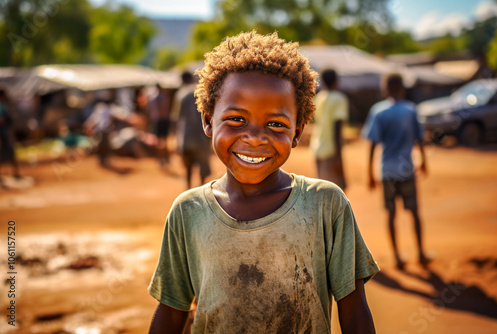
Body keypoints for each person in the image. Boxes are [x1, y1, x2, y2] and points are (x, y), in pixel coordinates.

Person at [148, 31, 379, 333]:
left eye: (275, 124)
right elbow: (171, 313)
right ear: (208, 120)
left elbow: (354, 313)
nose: (255, 137)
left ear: (297, 131)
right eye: (236, 119)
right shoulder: (187, 211)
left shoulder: (326, 205)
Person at [364, 73, 431, 270]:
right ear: (402, 88)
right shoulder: (410, 110)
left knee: (391, 214)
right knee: (415, 213)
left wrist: (370, 172)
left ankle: (397, 257)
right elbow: (420, 139)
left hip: (387, 172)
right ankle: (420, 253)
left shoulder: (379, 111)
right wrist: (424, 161)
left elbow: (373, 144)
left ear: (386, 90)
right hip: (407, 169)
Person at [310, 69, 348, 190]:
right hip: (331, 151)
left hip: (317, 147)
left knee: (324, 191)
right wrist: (338, 158)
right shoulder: (339, 98)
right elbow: (337, 128)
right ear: (336, 81)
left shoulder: (319, 98)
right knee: (336, 192)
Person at [173, 71, 212, 189]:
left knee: (188, 167)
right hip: (202, 136)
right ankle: (202, 190)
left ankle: (188, 189)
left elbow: (177, 117)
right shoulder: (201, 93)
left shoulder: (180, 95)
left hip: (186, 137)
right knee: (203, 166)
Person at [149, 84, 171, 167]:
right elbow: (166, 109)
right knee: (164, 141)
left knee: (159, 142)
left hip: (158, 121)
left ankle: (161, 159)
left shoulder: (153, 98)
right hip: (163, 120)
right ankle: (165, 158)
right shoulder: (164, 97)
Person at [0, 89, 20, 180]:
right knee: (10, 153)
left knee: (10, 154)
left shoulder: (5, 105)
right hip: (4, 134)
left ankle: (16, 173)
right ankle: (16, 174)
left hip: (5, 133)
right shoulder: (2, 106)